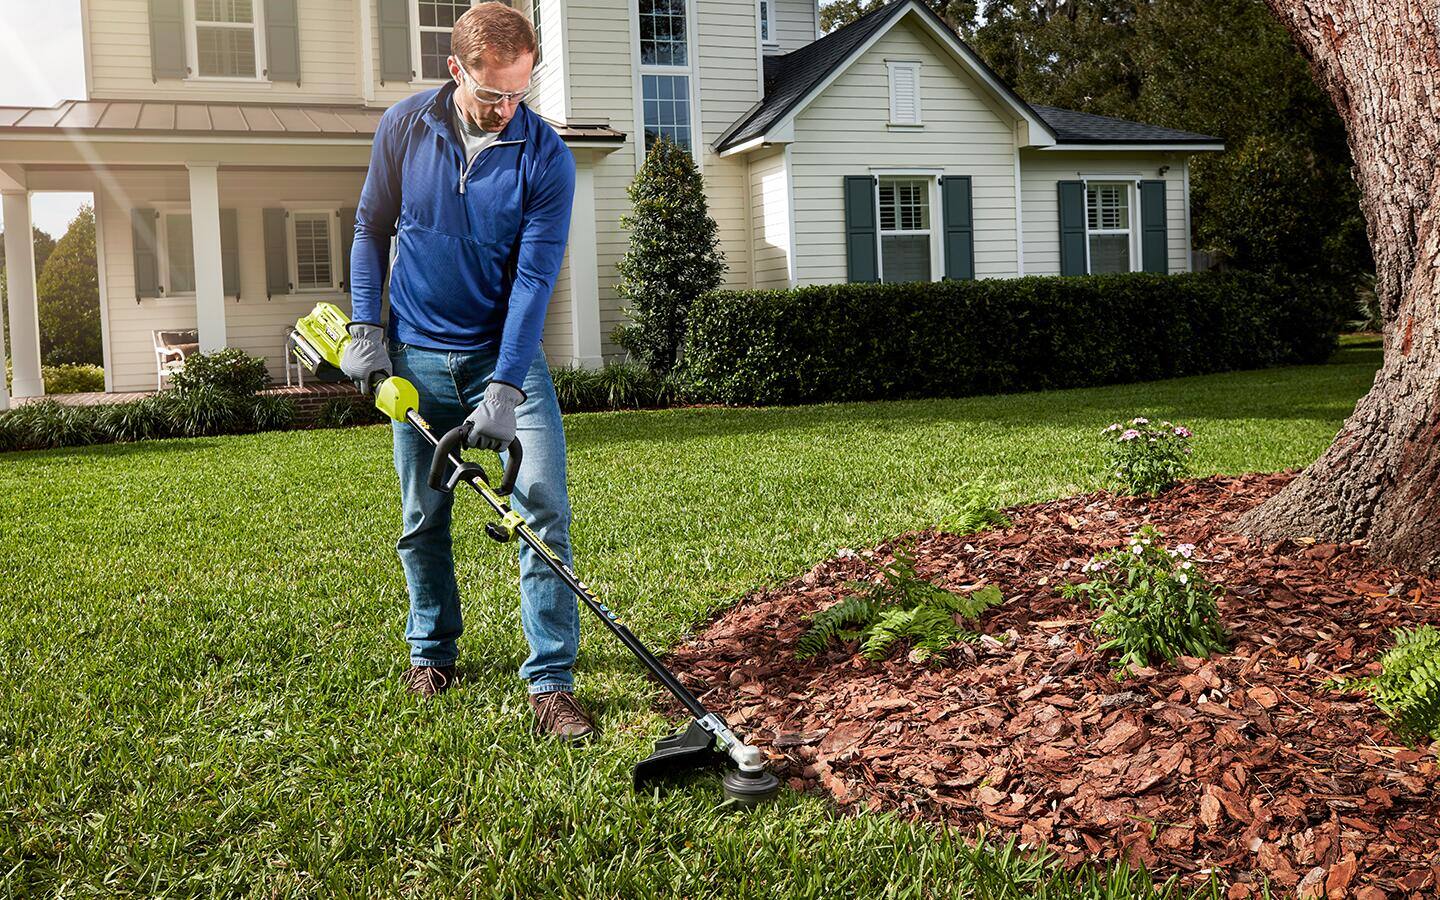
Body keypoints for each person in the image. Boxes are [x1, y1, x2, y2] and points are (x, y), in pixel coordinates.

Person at [340, 2, 594, 741]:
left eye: (521, 92)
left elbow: (534, 284)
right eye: (493, 94)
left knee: (541, 512)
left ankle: (550, 683)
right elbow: (370, 227)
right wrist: (367, 325)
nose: (507, 109)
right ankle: (434, 653)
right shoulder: (404, 128)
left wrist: (508, 387)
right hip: (415, 357)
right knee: (423, 520)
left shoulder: (546, 157)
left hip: (500, 357)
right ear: (456, 70)